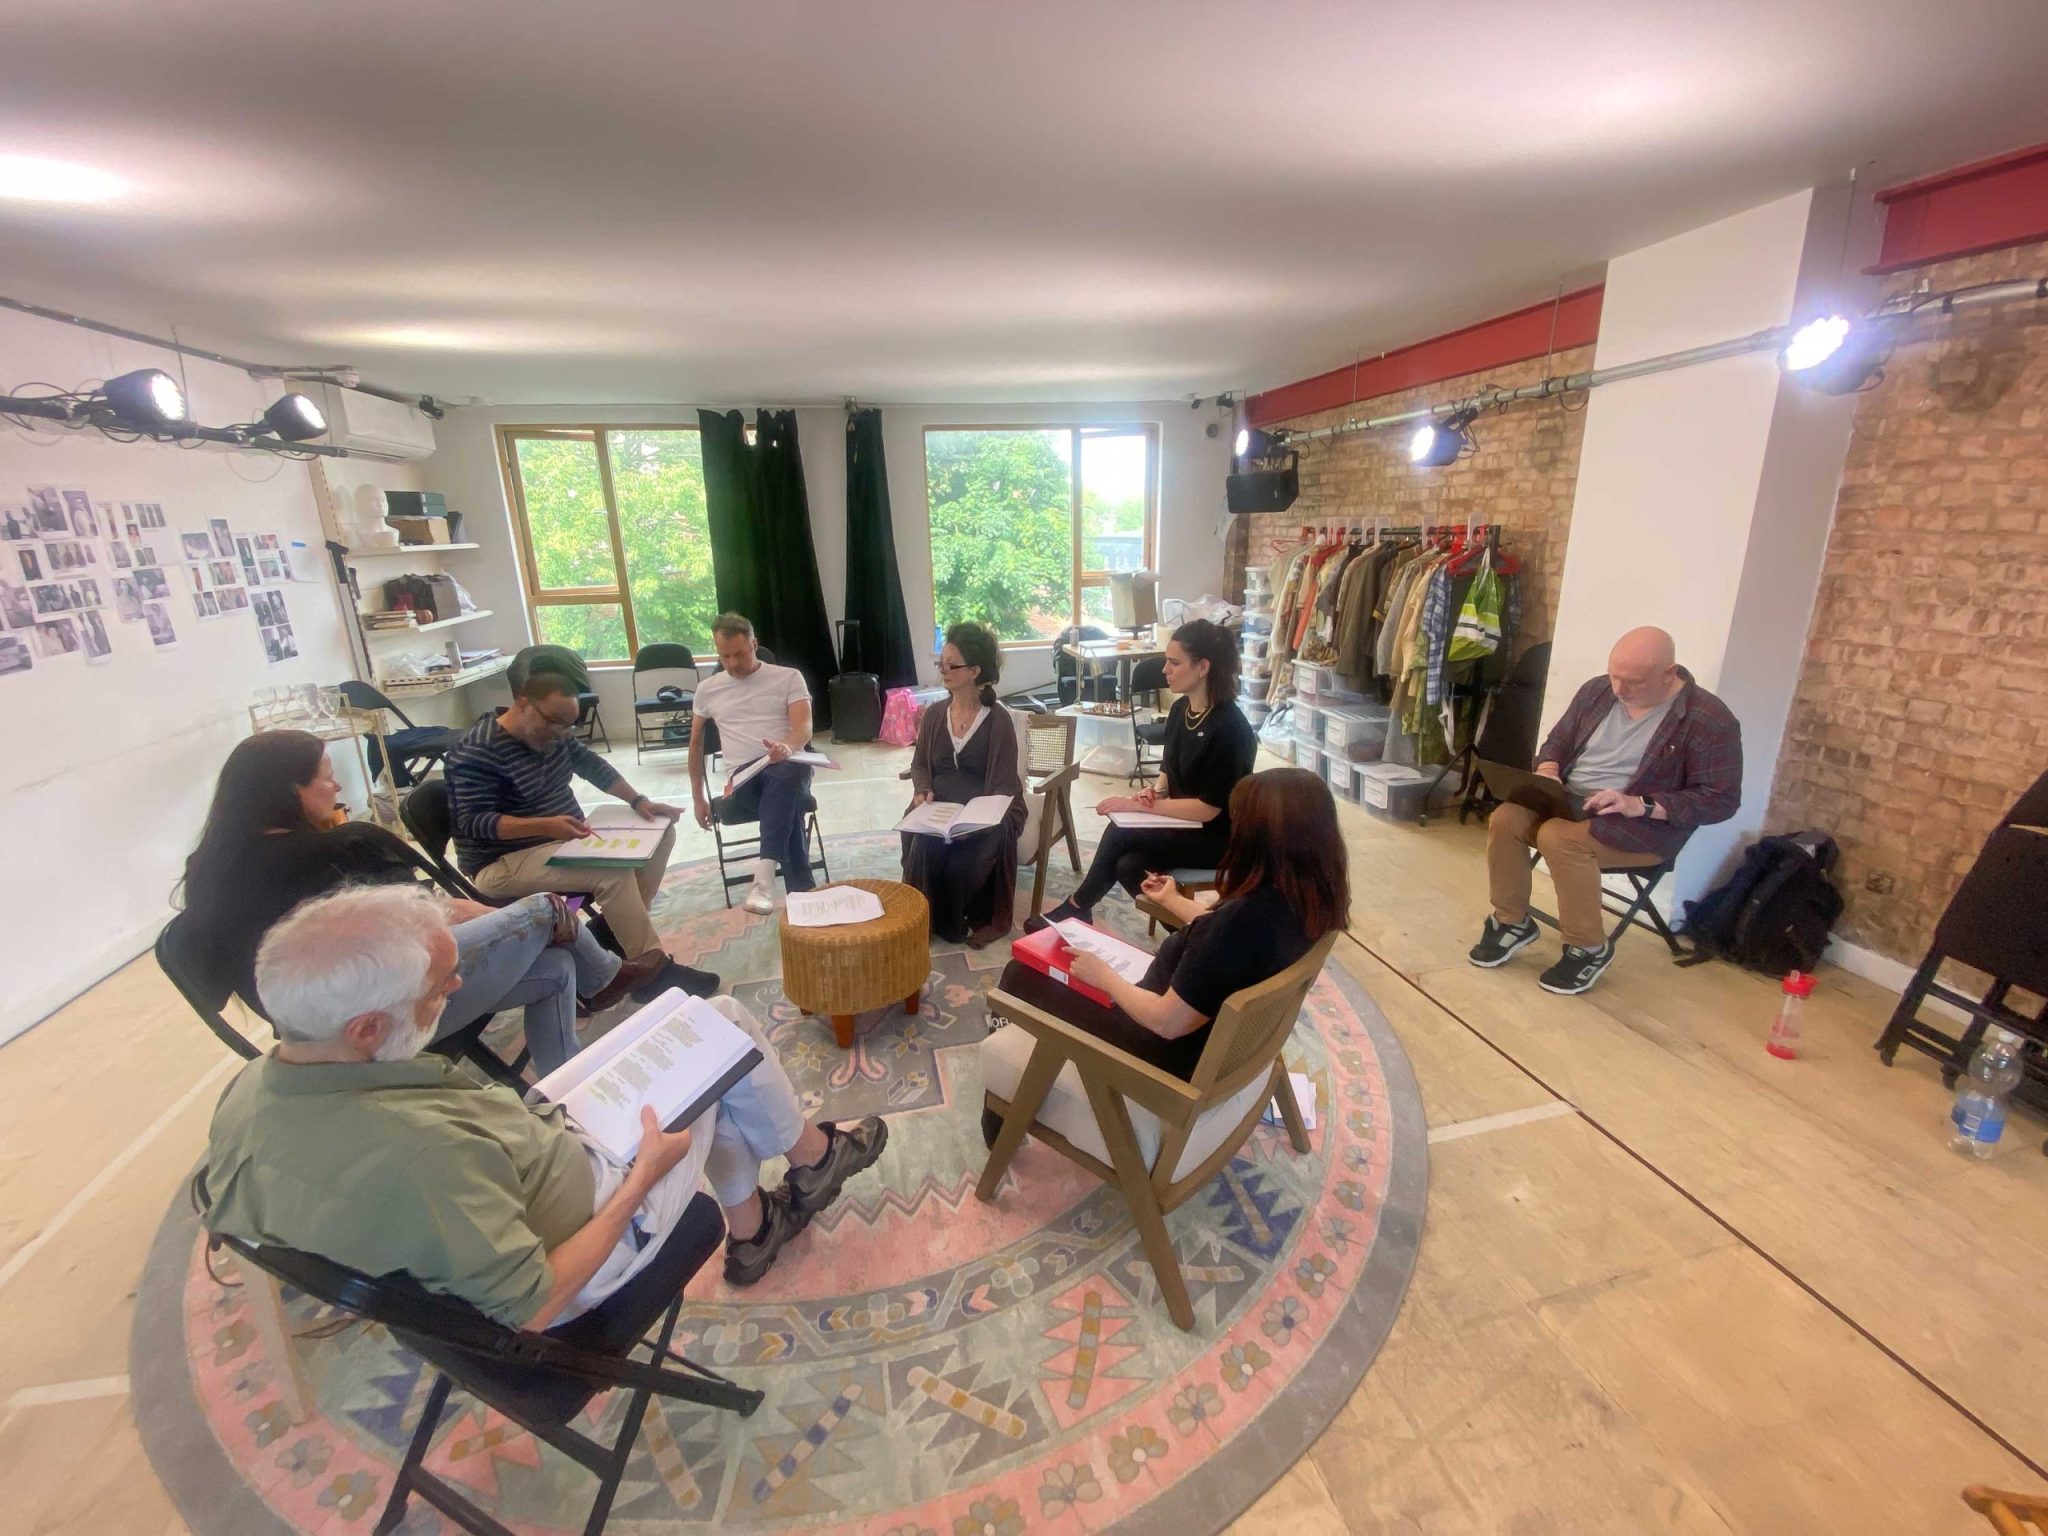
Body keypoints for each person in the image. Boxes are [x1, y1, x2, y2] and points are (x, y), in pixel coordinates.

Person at [203, 885, 890, 1317]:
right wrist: (643, 1177)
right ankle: (814, 1158)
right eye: (443, 987)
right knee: (723, 1035)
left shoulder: (251, 1091)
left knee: (700, 1033)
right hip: (598, 1220)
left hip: (536, 1146)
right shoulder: (417, 1155)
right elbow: (537, 1302)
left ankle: (757, 1224)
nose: (457, 989)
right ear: (368, 1028)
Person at [179, 731, 695, 1076]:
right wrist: (520, 925)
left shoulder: (206, 868)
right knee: (543, 911)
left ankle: (569, 1088)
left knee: (558, 964)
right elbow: (434, 915)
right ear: (287, 790)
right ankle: (604, 977)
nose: (337, 785)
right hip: (383, 1020)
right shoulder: (335, 849)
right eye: (325, 775)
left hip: (311, 1038)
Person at [988, 768, 1347, 1090]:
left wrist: (1105, 977)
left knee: (1019, 973)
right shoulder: (1309, 902)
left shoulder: (1234, 926)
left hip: (1160, 1050)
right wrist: (1173, 900)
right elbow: (1230, 945)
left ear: (1259, 839)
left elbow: (1166, 1022)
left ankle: (1004, 1096)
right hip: (1205, 1036)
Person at [1469, 625, 1742, 996]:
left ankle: (1589, 947)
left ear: (1669, 673)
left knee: (1556, 837)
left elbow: (1720, 800)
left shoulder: (1708, 718)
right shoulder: (1597, 690)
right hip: (1570, 802)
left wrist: (1639, 804)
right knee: (1506, 818)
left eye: (1634, 682)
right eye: (1615, 676)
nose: (1619, 690)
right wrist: (1548, 769)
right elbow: (1557, 743)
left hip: (1642, 825)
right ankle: (1511, 921)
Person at [446, 667, 712, 996]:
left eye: (568, 725)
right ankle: (652, 974)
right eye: (554, 722)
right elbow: (475, 822)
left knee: (660, 834)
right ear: (522, 702)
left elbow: (591, 765)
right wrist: (546, 824)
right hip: (502, 861)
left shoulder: (553, 734)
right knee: (611, 874)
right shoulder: (476, 751)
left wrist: (639, 801)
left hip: (562, 842)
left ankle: (610, 935)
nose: (561, 733)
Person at [1029, 618, 1258, 933]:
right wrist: (1156, 792)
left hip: (1217, 838)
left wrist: (1137, 806)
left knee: (1121, 832)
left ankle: (1077, 907)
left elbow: (1209, 809)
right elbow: (1167, 771)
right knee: (1128, 865)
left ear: (1203, 667)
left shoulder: (1231, 729)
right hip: (1182, 824)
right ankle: (1188, 934)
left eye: (1174, 662)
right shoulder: (1181, 711)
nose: (1165, 670)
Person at [903, 622, 1026, 946]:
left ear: (974, 670)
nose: (943, 670)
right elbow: (919, 765)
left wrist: (974, 819)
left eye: (951, 665)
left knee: (961, 864)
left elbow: (1003, 786)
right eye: (940, 663)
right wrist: (922, 789)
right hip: (938, 807)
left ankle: (951, 918)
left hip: (986, 811)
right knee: (923, 847)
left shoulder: (998, 720)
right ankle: (923, 917)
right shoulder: (933, 715)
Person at [688, 612, 818, 914]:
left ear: (754, 644)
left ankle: (763, 881)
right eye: (724, 656)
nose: (732, 663)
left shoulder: (787, 677)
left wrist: (786, 746)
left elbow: (804, 728)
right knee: (789, 801)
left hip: (786, 762)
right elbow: (695, 745)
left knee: (784, 772)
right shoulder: (708, 690)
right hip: (743, 783)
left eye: (739, 654)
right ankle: (803, 894)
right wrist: (697, 798)